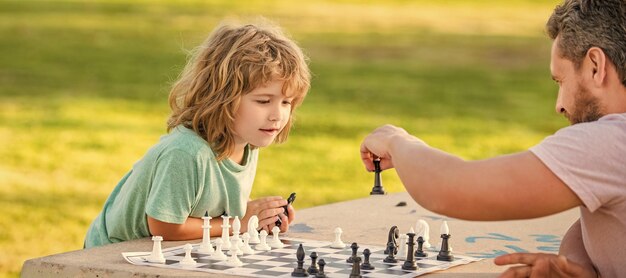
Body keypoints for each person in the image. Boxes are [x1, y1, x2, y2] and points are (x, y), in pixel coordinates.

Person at [359, 0, 625, 277]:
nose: (559, 105)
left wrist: (396, 141)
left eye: (561, 81)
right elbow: (589, 224)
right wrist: (576, 264)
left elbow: (452, 188)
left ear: (595, 65)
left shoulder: (609, 141)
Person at [84, 20, 311, 248]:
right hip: (112, 255)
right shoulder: (186, 153)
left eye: (286, 102)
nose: (277, 115)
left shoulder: (246, 145)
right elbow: (164, 226)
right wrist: (239, 223)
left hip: (167, 253)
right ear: (223, 97)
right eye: (263, 101)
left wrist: (261, 218)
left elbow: (212, 206)